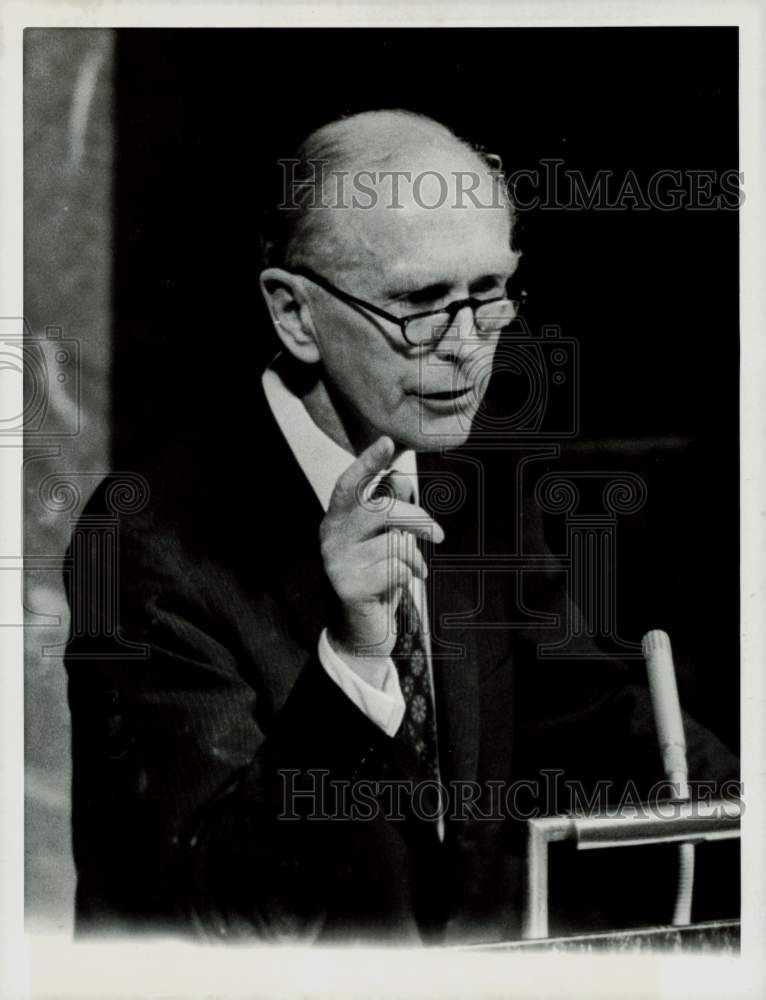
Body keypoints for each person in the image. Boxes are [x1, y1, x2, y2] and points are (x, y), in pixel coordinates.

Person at [64, 109, 738, 944]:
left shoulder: (479, 469)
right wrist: (350, 661)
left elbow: (595, 715)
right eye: (421, 303)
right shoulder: (145, 540)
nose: (465, 348)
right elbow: (216, 914)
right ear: (295, 315)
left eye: (488, 294)